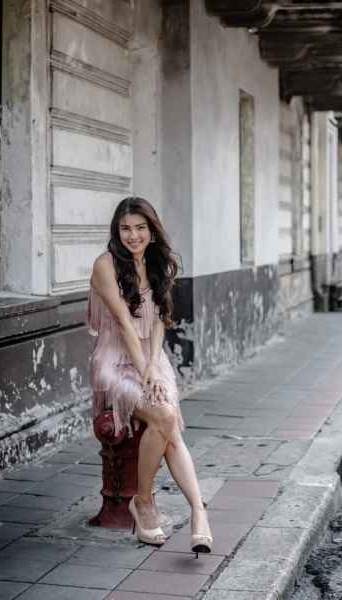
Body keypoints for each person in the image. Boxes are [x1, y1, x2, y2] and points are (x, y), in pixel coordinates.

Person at [87, 196, 213, 556]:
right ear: (117, 231)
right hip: (114, 361)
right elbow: (126, 325)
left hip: (151, 360)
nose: (133, 235)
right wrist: (146, 374)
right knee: (163, 416)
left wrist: (155, 367)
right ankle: (143, 502)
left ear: (152, 231)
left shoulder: (160, 264)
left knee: (168, 423)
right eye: (125, 228)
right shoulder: (106, 265)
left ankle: (198, 512)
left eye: (140, 228)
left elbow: (158, 322)